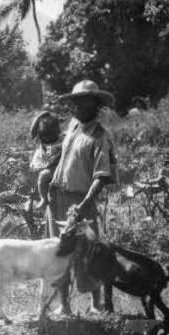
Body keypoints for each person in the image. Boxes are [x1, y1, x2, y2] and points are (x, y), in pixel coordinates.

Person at [46, 80, 119, 314]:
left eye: (83, 102)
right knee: (60, 253)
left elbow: (103, 175)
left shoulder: (100, 135)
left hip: (80, 200)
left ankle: (95, 304)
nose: (77, 107)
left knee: (88, 252)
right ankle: (64, 306)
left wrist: (86, 203)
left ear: (96, 105)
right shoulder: (74, 127)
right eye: (75, 102)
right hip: (59, 198)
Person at [29, 111, 62, 209]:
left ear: (57, 132)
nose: (47, 138)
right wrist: (40, 116)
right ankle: (40, 198)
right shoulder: (40, 140)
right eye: (44, 135)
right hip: (44, 166)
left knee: (43, 176)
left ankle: (44, 199)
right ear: (40, 133)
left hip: (57, 168)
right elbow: (32, 132)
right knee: (37, 180)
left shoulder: (61, 140)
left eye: (51, 135)